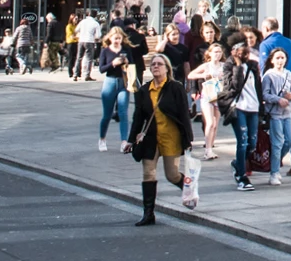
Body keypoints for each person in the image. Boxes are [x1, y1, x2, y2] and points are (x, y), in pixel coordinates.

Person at [122, 51, 192, 225]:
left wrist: (188, 139)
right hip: (151, 138)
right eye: (153, 64)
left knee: (172, 175)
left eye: (159, 64)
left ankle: (189, 188)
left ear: (167, 68)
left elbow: (184, 114)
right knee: (148, 173)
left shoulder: (175, 88)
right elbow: (138, 116)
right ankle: (148, 213)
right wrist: (130, 140)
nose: (155, 67)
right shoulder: (145, 90)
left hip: (171, 136)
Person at [221, 39, 264, 191]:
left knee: (252, 143)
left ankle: (237, 163)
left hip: (254, 108)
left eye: (246, 52)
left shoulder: (253, 66)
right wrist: (238, 66)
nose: (244, 55)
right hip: (238, 107)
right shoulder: (228, 66)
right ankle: (241, 176)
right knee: (243, 140)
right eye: (241, 52)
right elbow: (234, 86)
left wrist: (262, 111)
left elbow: (258, 88)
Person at [263, 46, 291, 185]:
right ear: (272, 60)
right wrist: (277, 99)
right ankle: (274, 172)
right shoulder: (269, 75)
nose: (280, 61)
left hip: (287, 112)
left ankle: (276, 160)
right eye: (277, 58)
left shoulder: (288, 74)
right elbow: (265, 94)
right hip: (275, 113)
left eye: (282, 58)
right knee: (277, 142)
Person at [97, 27, 135, 150]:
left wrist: (127, 62)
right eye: (115, 38)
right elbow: (102, 69)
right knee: (107, 115)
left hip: (123, 82)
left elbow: (133, 66)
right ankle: (102, 138)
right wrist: (113, 63)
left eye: (119, 38)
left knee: (123, 112)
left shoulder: (126, 50)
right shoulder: (105, 51)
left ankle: (124, 141)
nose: (117, 40)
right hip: (110, 82)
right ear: (110, 38)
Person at [187, 42, 226, 159]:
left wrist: (223, 77)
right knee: (209, 122)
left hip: (219, 96)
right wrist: (204, 75)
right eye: (215, 52)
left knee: (215, 124)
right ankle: (207, 150)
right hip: (207, 95)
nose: (217, 54)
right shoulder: (206, 66)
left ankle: (211, 147)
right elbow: (190, 75)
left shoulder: (224, 66)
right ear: (209, 53)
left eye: (219, 52)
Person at [75, 8, 102, 81]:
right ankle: (87, 75)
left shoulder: (83, 21)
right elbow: (98, 35)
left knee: (79, 57)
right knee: (89, 58)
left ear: (89, 14)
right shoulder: (95, 23)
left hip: (81, 40)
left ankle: (76, 74)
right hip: (90, 41)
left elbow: (76, 30)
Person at [64, 12, 80, 78]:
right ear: (72, 19)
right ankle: (70, 73)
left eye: (77, 19)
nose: (76, 20)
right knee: (71, 58)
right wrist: (77, 36)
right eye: (75, 19)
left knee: (77, 58)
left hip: (76, 42)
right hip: (70, 43)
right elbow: (71, 36)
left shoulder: (77, 26)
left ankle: (78, 72)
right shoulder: (69, 26)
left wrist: (77, 36)